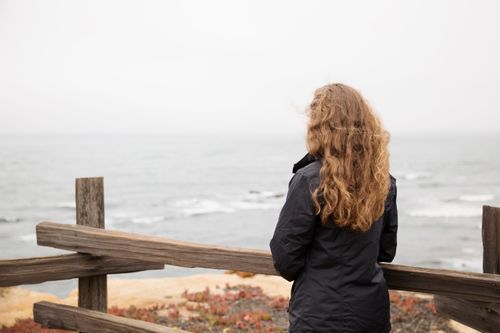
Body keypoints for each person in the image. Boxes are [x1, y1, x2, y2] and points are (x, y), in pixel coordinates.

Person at [269, 83, 398, 333]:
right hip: (370, 314)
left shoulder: (309, 179)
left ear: (321, 127)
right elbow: (385, 251)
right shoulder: (383, 181)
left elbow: (285, 258)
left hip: (317, 316)